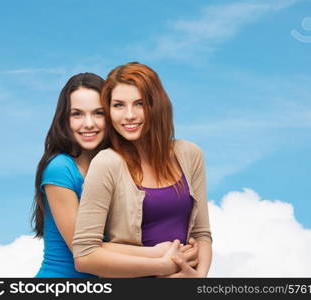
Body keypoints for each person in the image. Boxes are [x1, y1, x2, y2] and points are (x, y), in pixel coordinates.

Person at [32, 72, 197, 278]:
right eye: (77, 114)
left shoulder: (117, 166)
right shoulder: (60, 169)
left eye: (98, 113)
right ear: (64, 120)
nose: (88, 123)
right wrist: (158, 256)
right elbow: (83, 248)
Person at [72, 62, 212, 278]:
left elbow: (201, 233)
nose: (129, 115)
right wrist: (163, 266)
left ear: (157, 105)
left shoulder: (189, 154)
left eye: (140, 104)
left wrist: (197, 278)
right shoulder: (106, 163)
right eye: (118, 105)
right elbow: (85, 255)